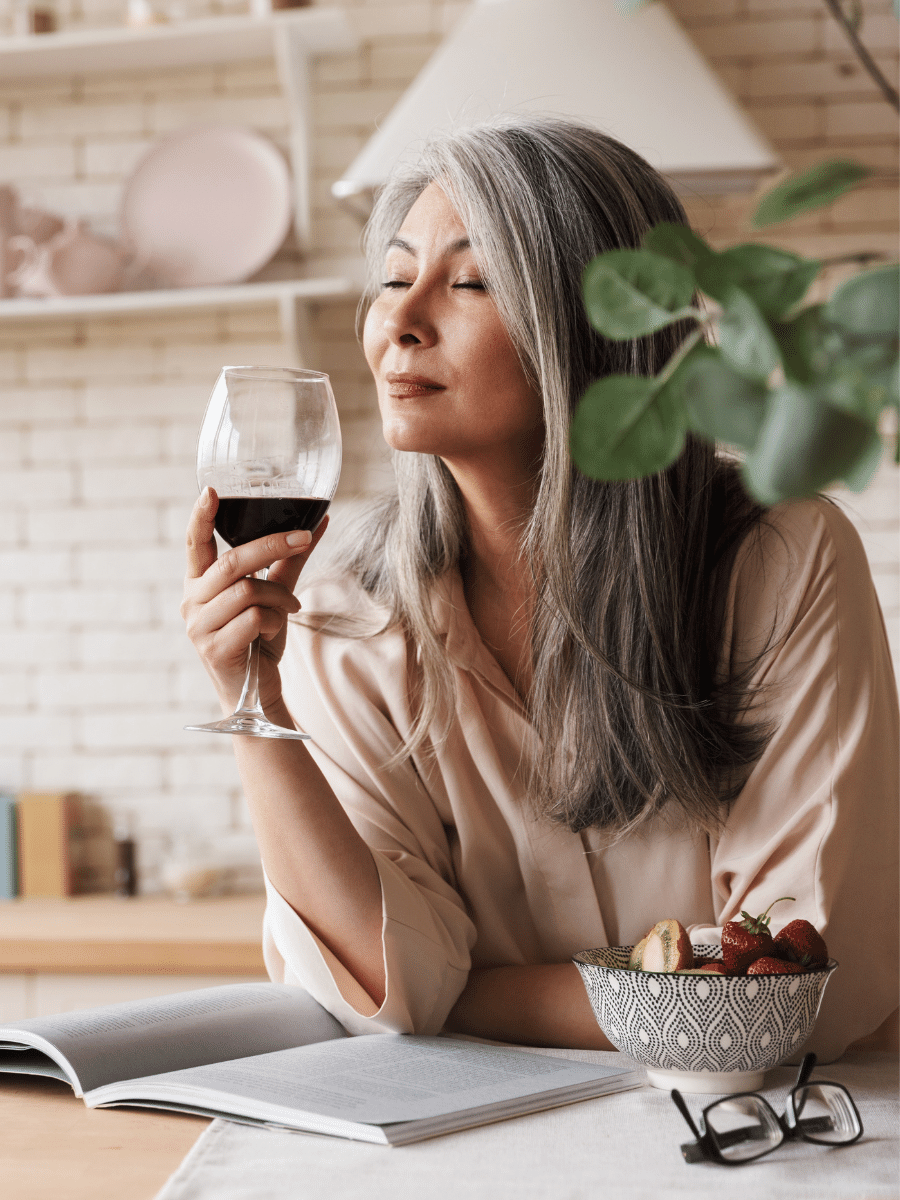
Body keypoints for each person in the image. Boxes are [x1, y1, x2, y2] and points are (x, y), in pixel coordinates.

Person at [182, 117, 899, 1060]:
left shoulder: (782, 562)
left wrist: (465, 996)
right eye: (395, 279)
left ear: (603, 332)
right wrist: (258, 706)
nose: (401, 320)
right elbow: (384, 983)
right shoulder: (347, 609)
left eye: (471, 281)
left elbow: (790, 993)